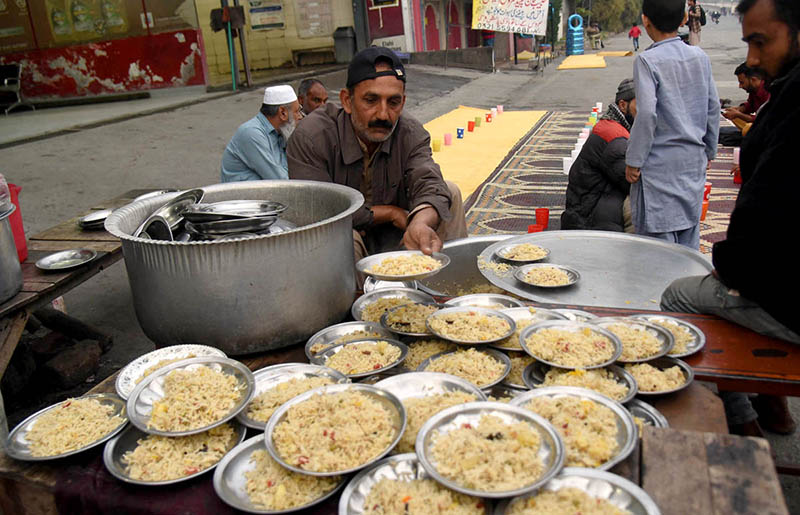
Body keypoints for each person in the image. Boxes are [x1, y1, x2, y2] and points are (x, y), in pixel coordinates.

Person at [661, 0, 800, 437]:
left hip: (783, 293)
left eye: (761, 41)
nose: (753, 59)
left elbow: (768, 212)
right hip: (774, 272)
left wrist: (729, 268)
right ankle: (773, 406)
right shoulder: (787, 89)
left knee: (679, 297)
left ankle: (737, 425)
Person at [287, 47, 468, 264]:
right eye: (371, 100)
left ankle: (447, 283)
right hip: (344, 238)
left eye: (393, 102)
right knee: (341, 237)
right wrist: (388, 213)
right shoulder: (313, 136)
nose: (383, 114)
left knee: (450, 192)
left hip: (398, 234)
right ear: (347, 101)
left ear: (402, 102)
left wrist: (420, 222)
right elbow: (317, 210)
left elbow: (429, 181)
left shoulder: (410, 132)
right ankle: (355, 297)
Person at [625, 0, 719, 250]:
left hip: (658, 167)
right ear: (683, 21)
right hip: (692, 162)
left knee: (658, 249)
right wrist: (709, 149)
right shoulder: (700, 56)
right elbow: (713, 107)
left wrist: (634, 160)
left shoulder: (647, 60)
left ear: (645, 20)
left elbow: (646, 114)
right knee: (688, 239)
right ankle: (686, 288)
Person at [562, 79, 637, 233]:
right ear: (623, 105)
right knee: (645, 204)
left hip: (592, 206)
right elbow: (634, 183)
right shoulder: (614, 138)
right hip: (589, 219)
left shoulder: (613, 125)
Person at [220, 85, 302, 182]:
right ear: (282, 113)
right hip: (242, 195)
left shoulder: (281, 132)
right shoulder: (251, 133)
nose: (300, 116)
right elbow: (279, 180)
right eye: (296, 111)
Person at [719, 63, 770, 145]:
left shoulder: (768, 91)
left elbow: (762, 119)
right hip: (758, 123)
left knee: (747, 128)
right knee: (734, 115)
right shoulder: (753, 89)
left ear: (753, 80)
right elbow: (751, 105)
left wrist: (739, 114)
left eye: (742, 82)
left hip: (768, 126)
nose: (740, 86)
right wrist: (739, 109)